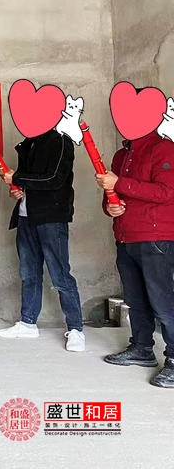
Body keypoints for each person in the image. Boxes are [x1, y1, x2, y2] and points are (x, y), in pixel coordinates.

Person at [97, 130, 174, 387]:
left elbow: (167, 192)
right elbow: (112, 194)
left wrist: (119, 183)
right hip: (126, 237)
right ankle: (142, 348)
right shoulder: (121, 155)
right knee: (135, 300)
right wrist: (110, 207)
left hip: (157, 239)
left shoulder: (164, 149)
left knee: (163, 303)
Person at [0, 128, 85, 352]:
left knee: (60, 274)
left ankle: (76, 329)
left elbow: (54, 179)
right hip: (26, 217)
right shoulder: (28, 143)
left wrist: (17, 178)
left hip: (51, 218)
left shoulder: (60, 141)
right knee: (29, 273)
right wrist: (18, 190)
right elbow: (29, 182)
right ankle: (28, 323)